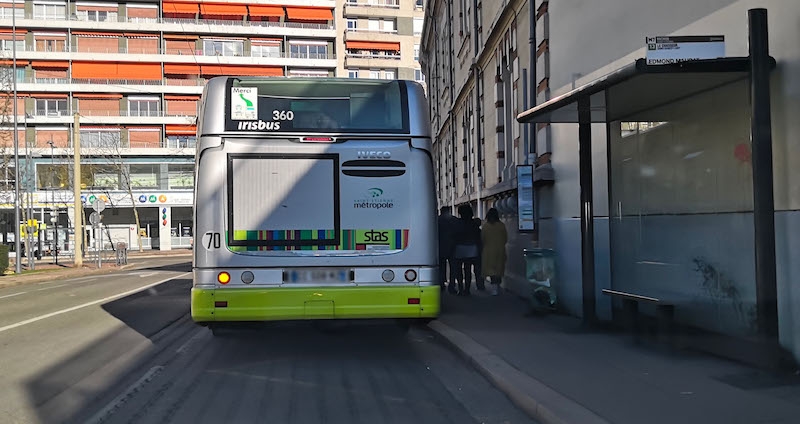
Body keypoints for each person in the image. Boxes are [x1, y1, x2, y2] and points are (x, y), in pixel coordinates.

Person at [452, 205, 481, 296]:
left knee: (458, 269)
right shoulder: (474, 224)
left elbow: (454, 235)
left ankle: (460, 288)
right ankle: (467, 289)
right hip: (472, 248)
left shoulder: (457, 223)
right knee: (467, 269)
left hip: (459, 247)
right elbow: (478, 236)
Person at [481, 208, 508, 296]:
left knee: (491, 270)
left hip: (488, 251)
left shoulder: (485, 226)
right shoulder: (501, 225)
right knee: (499, 269)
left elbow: (482, 238)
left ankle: (494, 288)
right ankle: (497, 285)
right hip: (500, 250)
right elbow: (505, 238)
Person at [437, 206, 458, 292]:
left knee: (441, 267)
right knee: (453, 267)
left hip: (440, 246)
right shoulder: (454, 220)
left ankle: (441, 283)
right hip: (453, 246)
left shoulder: (437, 220)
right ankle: (452, 286)